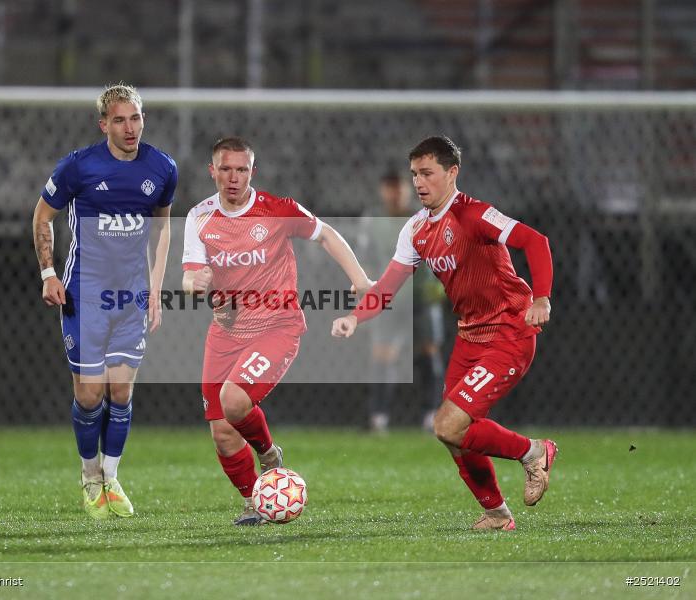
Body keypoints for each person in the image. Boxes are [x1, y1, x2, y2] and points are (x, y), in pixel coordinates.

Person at [332, 136, 556, 531]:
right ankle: (496, 514)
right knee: (453, 434)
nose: (419, 182)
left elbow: (535, 241)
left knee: (449, 424)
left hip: (509, 331)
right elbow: (387, 288)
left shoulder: (475, 214)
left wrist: (542, 298)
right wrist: (355, 317)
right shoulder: (415, 229)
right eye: (415, 174)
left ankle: (534, 451)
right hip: (470, 337)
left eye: (428, 173)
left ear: (452, 173)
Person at [182, 136, 372, 525]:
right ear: (212, 171)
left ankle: (269, 455)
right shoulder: (198, 217)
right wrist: (196, 282)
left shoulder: (276, 210)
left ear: (252, 171)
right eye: (226, 169)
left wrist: (360, 279)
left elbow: (325, 234)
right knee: (221, 431)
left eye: (242, 169)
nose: (233, 178)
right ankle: (255, 500)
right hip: (225, 333)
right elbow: (190, 277)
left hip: (277, 327)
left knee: (234, 401)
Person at [32, 83, 176, 520]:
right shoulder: (80, 166)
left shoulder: (162, 167)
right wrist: (48, 273)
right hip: (85, 295)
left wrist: (155, 286)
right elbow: (43, 216)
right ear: (104, 124)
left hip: (130, 296)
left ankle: (110, 479)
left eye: (135, 118)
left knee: (121, 389)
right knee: (91, 394)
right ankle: (88, 474)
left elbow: (163, 228)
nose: (129, 127)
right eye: (119, 120)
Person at [355, 170, 447, 432]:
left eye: (400, 187)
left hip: (421, 295)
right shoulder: (373, 221)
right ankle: (379, 416)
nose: (395, 193)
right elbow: (366, 257)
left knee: (429, 351)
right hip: (389, 296)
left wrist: (439, 285)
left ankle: (431, 414)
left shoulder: (426, 217)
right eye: (390, 187)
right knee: (383, 353)